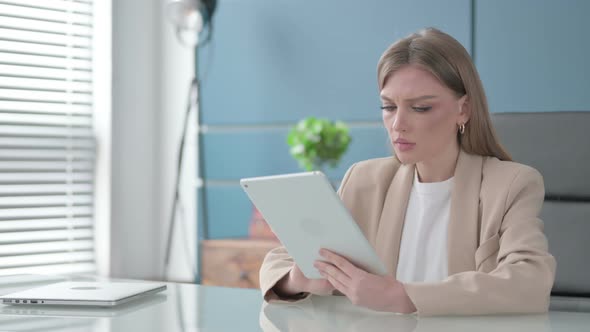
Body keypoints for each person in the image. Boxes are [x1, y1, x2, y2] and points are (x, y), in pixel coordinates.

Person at [259, 27, 556, 316]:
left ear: (463, 109)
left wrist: (402, 296)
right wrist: (298, 279)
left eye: (421, 108)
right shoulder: (364, 180)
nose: (398, 124)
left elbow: (530, 282)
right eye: (388, 107)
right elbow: (279, 260)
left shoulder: (511, 184)